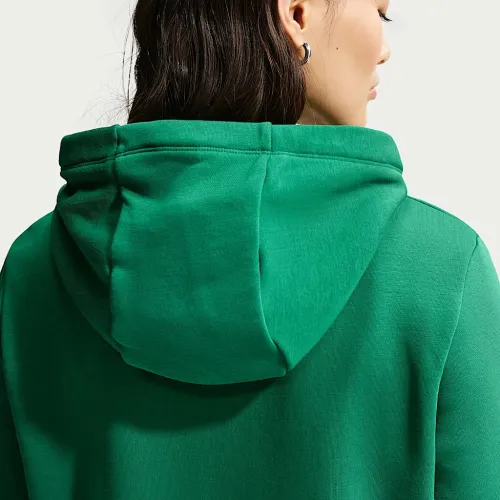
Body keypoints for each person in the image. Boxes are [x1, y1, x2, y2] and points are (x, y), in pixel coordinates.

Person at [1, 0, 499, 498]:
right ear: (297, 14)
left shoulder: (35, 272)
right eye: (379, 12)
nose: (384, 49)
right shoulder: (444, 270)